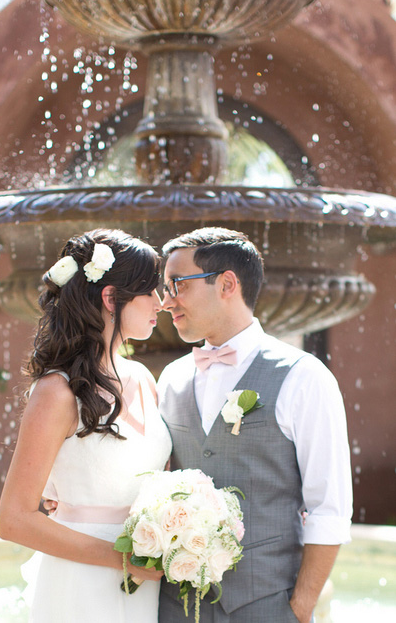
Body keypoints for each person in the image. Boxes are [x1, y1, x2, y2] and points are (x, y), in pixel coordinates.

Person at [157, 227, 352, 623]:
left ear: (227, 283)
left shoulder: (304, 376)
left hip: (268, 605)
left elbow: (329, 507)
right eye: (164, 287)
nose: (166, 301)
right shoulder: (171, 379)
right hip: (176, 608)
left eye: (177, 284)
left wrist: (298, 610)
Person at [0, 229, 172, 623]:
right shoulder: (56, 392)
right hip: (81, 585)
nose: (160, 303)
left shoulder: (144, 378)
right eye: (150, 291)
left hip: (145, 584)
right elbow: (13, 520)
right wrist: (123, 559)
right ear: (111, 298)